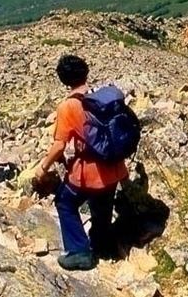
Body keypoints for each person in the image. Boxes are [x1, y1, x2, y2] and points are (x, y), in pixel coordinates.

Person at [34, 55, 128, 271]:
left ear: (64, 80)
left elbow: (59, 146)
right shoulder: (101, 96)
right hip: (114, 168)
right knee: (102, 205)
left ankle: (79, 252)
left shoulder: (68, 106)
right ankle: (103, 245)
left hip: (89, 171)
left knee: (65, 203)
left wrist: (43, 167)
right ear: (86, 72)